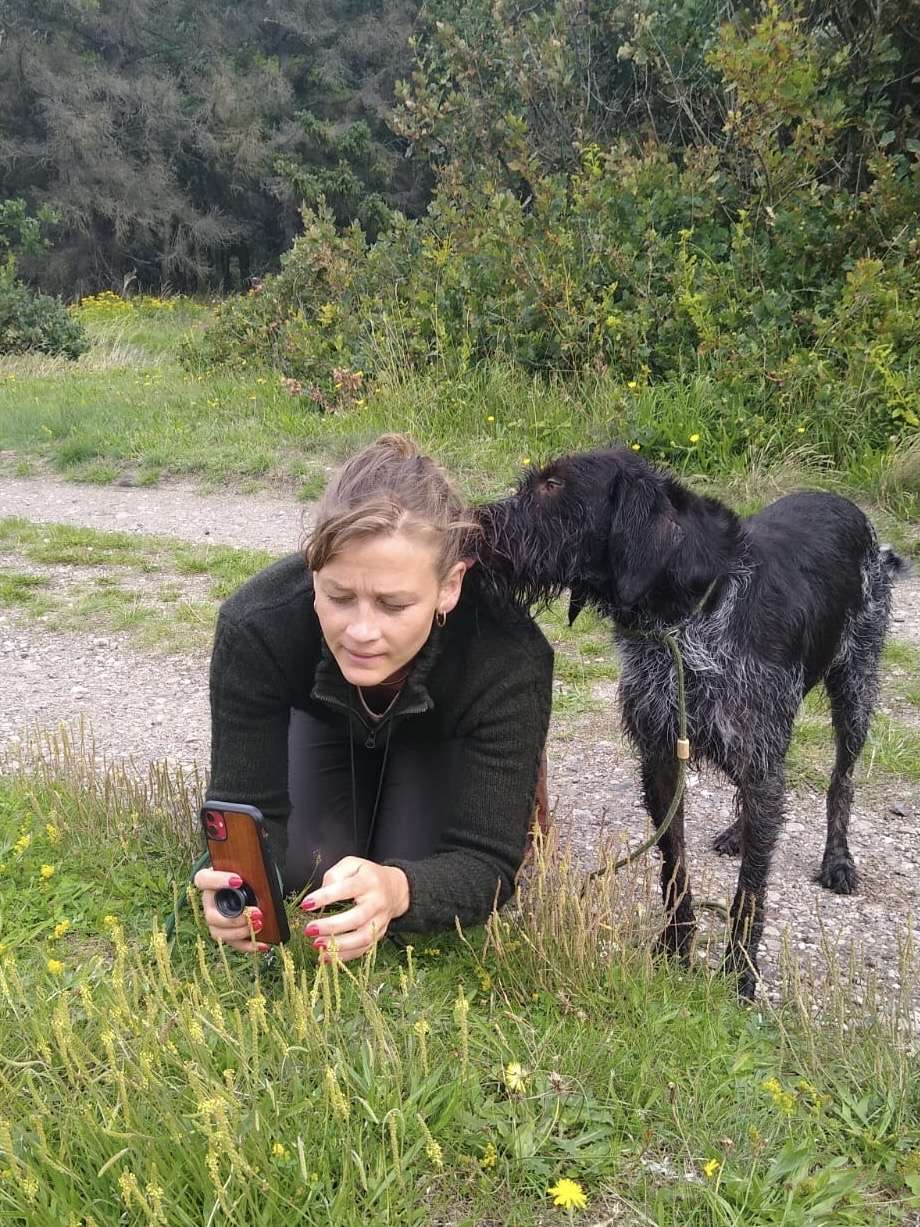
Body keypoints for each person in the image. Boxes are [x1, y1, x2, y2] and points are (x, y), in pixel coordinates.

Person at [194, 434, 553, 961]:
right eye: (339, 596)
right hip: (327, 722)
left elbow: (486, 864)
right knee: (303, 870)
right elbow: (246, 812)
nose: (361, 631)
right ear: (313, 567)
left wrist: (399, 890)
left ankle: (518, 789)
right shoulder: (256, 625)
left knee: (412, 865)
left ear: (450, 586)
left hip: (440, 733)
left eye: (393, 605)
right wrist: (232, 891)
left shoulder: (509, 655)